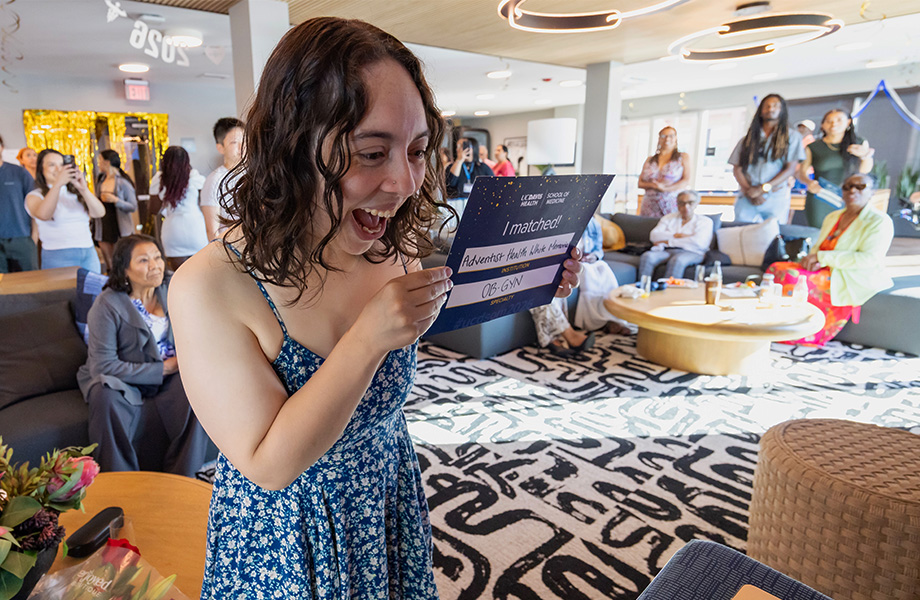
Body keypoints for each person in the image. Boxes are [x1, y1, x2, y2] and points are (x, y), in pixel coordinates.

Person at [167, 17, 582, 598]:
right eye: (370, 152)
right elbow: (267, 462)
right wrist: (368, 339)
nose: (405, 183)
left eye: (416, 152)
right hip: (290, 539)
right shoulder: (209, 285)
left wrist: (533, 274)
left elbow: (442, 300)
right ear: (292, 145)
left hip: (386, 498)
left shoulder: (389, 245)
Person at [77, 234, 209, 475]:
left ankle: (183, 478)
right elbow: (102, 366)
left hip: (170, 378)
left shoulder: (172, 287)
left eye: (157, 257)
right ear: (124, 268)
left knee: (198, 387)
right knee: (103, 394)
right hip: (125, 381)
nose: (155, 265)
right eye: (143, 260)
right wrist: (165, 368)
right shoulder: (106, 305)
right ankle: (123, 483)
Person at [766, 173, 893, 346]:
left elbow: (868, 259)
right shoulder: (833, 217)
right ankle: (771, 323)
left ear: (872, 192)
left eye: (860, 186)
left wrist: (822, 258)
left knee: (791, 277)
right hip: (823, 269)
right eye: (847, 186)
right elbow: (819, 247)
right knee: (775, 269)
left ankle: (797, 330)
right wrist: (813, 259)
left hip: (849, 274)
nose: (852, 190)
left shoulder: (879, 221)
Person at [729, 94, 806, 224]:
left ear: (782, 110)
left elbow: (790, 169)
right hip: (748, 194)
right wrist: (749, 190)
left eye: (775, 105)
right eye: (767, 106)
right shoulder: (747, 139)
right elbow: (737, 168)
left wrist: (762, 188)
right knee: (739, 232)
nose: (770, 109)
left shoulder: (792, 137)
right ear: (761, 110)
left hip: (775, 196)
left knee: (772, 235)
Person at [26, 149, 106, 272]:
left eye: (61, 165)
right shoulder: (35, 196)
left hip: (88, 252)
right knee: (63, 291)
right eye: (52, 165)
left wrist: (83, 189)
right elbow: (44, 215)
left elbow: (99, 213)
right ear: (41, 169)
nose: (59, 169)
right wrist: (57, 185)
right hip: (57, 254)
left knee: (93, 291)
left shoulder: (75, 193)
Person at [796, 109, 875, 228]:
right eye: (829, 121)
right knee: (819, 233)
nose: (834, 124)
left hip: (850, 196)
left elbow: (864, 171)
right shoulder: (814, 147)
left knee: (846, 233)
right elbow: (800, 173)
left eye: (839, 120)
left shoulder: (858, 143)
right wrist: (809, 183)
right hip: (821, 196)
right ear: (823, 125)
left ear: (848, 122)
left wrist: (865, 156)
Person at [149, 146, 207, 271]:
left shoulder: (159, 180)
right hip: (196, 229)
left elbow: (153, 210)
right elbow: (207, 204)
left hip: (173, 231)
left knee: (179, 277)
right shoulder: (195, 178)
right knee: (200, 275)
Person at [638, 190, 714, 279]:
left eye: (690, 203)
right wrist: (677, 236)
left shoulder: (705, 221)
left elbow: (699, 243)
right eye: (682, 203)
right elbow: (654, 236)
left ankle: (668, 291)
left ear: (696, 204)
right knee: (647, 256)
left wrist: (667, 241)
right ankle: (642, 289)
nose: (686, 206)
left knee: (677, 260)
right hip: (666, 251)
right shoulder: (668, 218)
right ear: (677, 204)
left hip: (692, 252)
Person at [201, 117, 245, 241]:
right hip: (231, 250)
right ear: (220, 147)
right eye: (234, 142)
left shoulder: (254, 173)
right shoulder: (215, 180)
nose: (242, 147)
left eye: (244, 140)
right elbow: (212, 232)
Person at [95, 149, 138, 271]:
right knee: (109, 262)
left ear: (107, 162)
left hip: (119, 226)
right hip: (103, 224)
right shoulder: (101, 180)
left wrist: (116, 200)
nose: (99, 164)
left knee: (122, 262)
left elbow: (133, 206)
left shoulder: (123, 182)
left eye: (100, 161)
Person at [0, 134, 38, 272]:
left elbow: (34, 206)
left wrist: (34, 238)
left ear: (2, 147)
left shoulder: (19, 173)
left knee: (30, 284)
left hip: (21, 237)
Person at [638, 126, 691, 218]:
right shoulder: (650, 159)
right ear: (659, 139)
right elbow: (640, 183)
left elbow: (686, 180)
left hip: (671, 204)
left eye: (671, 136)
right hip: (649, 205)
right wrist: (654, 186)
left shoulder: (683, 157)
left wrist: (665, 189)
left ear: (675, 138)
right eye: (663, 136)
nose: (667, 138)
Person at [446, 136, 494, 217]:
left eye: (462, 146)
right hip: (456, 207)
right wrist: (459, 160)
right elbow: (450, 183)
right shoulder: (453, 166)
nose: (458, 149)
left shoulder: (483, 167)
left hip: (478, 208)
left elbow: (493, 187)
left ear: (472, 148)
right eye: (457, 146)